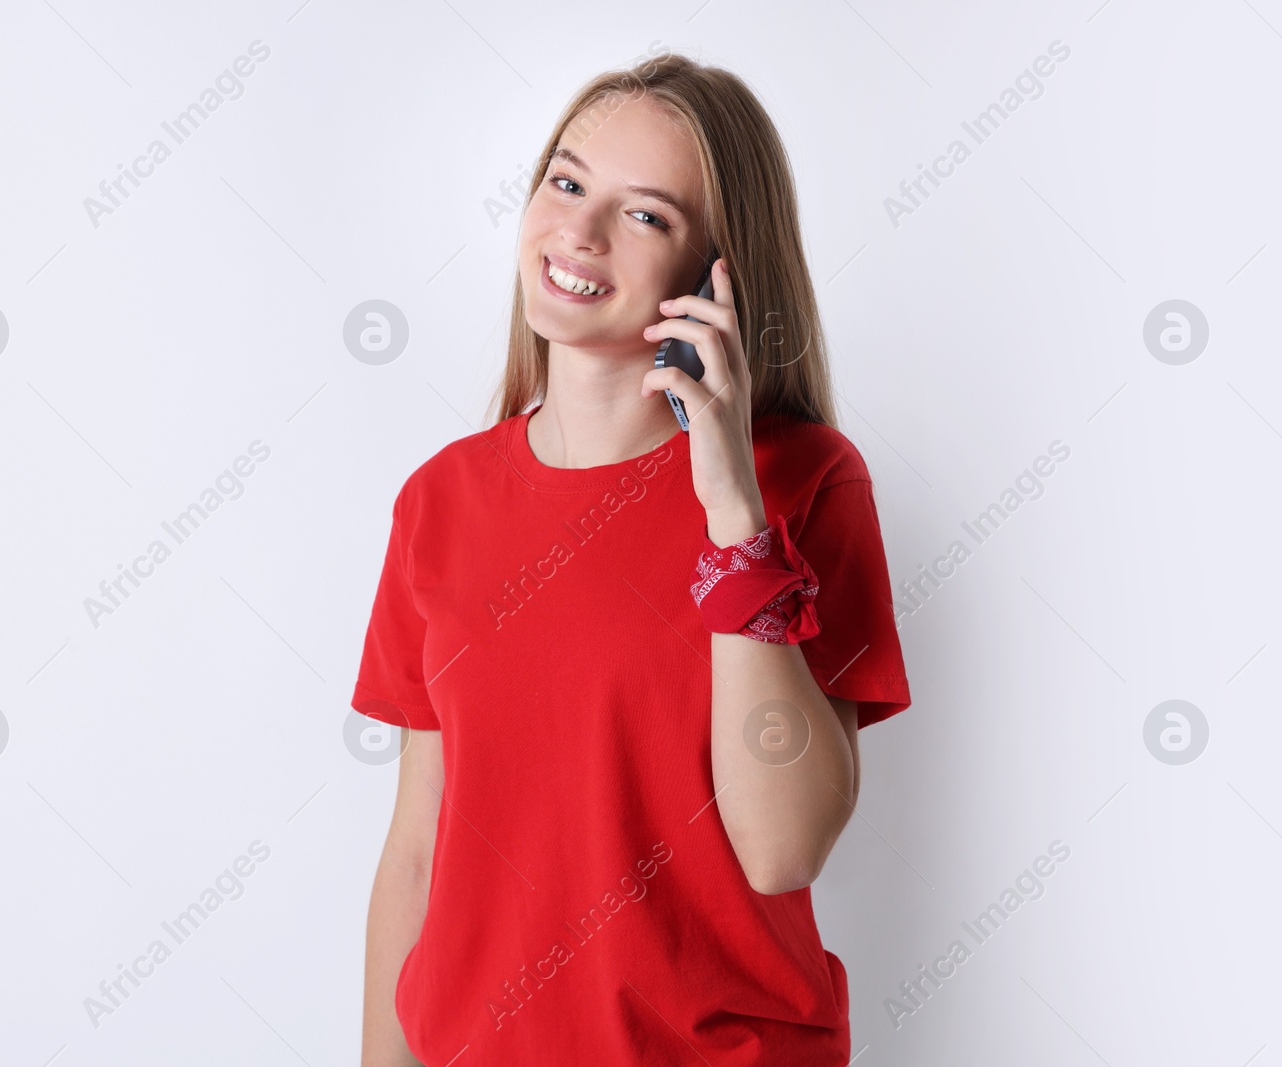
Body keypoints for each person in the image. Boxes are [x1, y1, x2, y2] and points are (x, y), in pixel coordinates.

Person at [354, 50, 912, 1066]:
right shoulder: (440, 500)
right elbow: (416, 850)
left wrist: (731, 512)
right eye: (566, 182)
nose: (578, 230)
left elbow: (782, 845)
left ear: (717, 274)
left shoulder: (805, 483)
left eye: (644, 213)